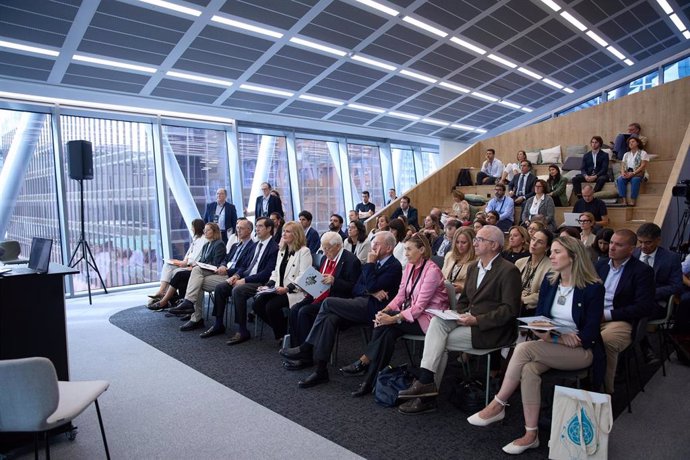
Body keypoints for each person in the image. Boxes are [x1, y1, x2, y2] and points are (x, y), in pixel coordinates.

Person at [468, 236, 605, 455]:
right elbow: (539, 322)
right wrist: (555, 337)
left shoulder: (592, 288)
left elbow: (589, 335)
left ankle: (498, 404)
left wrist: (555, 337)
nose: (551, 255)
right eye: (551, 251)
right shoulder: (551, 282)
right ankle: (531, 434)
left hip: (582, 351)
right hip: (552, 345)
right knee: (529, 370)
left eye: (557, 252)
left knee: (523, 349)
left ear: (573, 256)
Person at [396, 225, 521, 415]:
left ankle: (426, 394)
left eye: (480, 239)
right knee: (437, 322)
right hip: (468, 321)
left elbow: (510, 310)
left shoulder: (508, 270)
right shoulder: (473, 268)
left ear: (494, 245)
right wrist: (460, 314)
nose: (474, 243)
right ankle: (426, 382)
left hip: (491, 329)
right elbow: (464, 301)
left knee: (438, 341)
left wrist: (476, 319)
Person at [279, 232, 403, 388]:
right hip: (360, 302)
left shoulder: (393, 266)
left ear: (389, 248)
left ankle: (306, 347)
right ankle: (321, 370)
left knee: (328, 303)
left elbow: (368, 285)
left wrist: (370, 269)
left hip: (376, 310)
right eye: (373, 243)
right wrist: (371, 291)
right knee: (330, 319)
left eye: (377, 244)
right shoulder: (375, 262)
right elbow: (358, 288)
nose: (373, 247)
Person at [341, 233, 450, 397]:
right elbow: (400, 296)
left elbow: (420, 307)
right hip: (411, 315)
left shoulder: (432, 271)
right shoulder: (409, 267)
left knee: (386, 325)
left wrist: (392, 318)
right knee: (387, 333)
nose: (405, 253)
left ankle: (365, 364)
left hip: (430, 320)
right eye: (404, 249)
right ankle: (370, 381)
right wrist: (385, 310)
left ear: (422, 249)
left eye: (409, 249)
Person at [595, 229, 655, 393]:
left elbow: (643, 306)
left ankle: (604, 391)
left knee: (604, 341)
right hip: (594, 316)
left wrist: (606, 315)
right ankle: (579, 381)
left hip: (620, 319)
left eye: (618, 245)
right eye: (612, 242)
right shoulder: (600, 265)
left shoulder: (642, 271)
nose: (611, 247)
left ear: (631, 249)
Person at [170, 220, 256, 332]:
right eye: (237, 228)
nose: (238, 230)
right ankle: (192, 309)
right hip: (222, 272)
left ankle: (193, 312)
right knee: (196, 274)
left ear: (249, 230)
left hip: (233, 276)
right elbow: (226, 259)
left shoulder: (253, 247)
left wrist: (228, 271)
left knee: (196, 281)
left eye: (241, 228)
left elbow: (245, 267)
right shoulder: (235, 245)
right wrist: (223, 265)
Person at [288, 232, 361, 347]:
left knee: (304, 312)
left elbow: (354, 288)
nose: (325, 252)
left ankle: (306, 352)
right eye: (323, 248)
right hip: (318, 294)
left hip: (336, 300)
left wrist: (334, 281)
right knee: (294, 309)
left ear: (338, 246)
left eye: (327, 248)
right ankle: (296, 346)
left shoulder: (351, 261)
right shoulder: (324, 258)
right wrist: (307, 287)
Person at [252, 222, 312, 343]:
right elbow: (276, 272)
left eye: (288, 231)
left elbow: (303, 276)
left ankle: (283, 335)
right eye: (284, 231)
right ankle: (284, 330)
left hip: (294, 291)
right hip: (278, 288)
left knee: (271, 307)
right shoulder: (282, 250)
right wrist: (268, 285)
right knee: (257, 303)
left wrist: (287, 288)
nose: (284, 234)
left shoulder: (304, 251)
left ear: (296, 234)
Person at [225, 217, 280, 345]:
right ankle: (218, 324)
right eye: (256, 226)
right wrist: (237, 276)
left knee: (238, 290)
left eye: (260, 226)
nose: (257, 229)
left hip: (261, 282)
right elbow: (244, 265)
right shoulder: (255, 245)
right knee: (222, 287)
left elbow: (266, 273)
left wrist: (245, 280)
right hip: (246, 277)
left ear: (269, 229)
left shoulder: (274, 248)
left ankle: (242, 330)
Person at [633, 223, 683, 364]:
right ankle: (639, 349)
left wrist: (650, 293)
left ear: (658, 240)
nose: (643, 246)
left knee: (633, 314)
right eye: (640, 242)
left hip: (657, 303)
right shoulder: (633, 254)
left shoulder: (671, 258)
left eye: (648, 242)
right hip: (632, 300)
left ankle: (639, 350)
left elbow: (676, 286)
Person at [148, 223, 226, 312]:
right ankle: (182, 306)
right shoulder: (206, 245)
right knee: (181, 280)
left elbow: (216, 263)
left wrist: (195, 266)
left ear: (214, 231)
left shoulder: (219, 244)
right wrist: (194, 266)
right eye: (204, 229)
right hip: (200, 269)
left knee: (179, 275)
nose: (205, 231)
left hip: (210, 272)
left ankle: (164, 302)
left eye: (208, 230)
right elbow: (201, 261)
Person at [147, 218, 206, 305]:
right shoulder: (196, 238)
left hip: (192, 265)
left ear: (196, 227)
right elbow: (189, 253)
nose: (191, 228)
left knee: (175, 272)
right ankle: (162, 291)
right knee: (168, 265)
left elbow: (196, 257)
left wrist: (184, 263)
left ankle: (168, 297)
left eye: (192, 227)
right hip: (186, 263)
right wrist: (181, 261)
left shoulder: (203, 240)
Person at [514, 229, 553, 314]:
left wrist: (522, 299)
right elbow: (510, 285)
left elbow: (545, 294)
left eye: (540, 242)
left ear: (547, 247)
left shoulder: (551, 267)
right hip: (514, 306)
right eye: (533, 239)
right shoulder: (520, 262)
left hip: (532, 310)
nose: (534, 244)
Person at [442, 227, 476, 297]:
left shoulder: (477, 260)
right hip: (445, 293)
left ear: (472, 243)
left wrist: (463, 290)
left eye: (463, 242)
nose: (460, 246)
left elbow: (476, 287)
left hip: (464, 297)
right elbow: (442, 276)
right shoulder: (449, 256)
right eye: (457, 242)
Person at [616, 137, 650, 206]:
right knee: (620, 179)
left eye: (633, 141)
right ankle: (624, 201)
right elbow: (622, 165)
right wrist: (623, 173)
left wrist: (633, 173)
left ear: (637, 143)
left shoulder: (643, 153)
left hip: (638, 173)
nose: (631, 143)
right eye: (629, 142)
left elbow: (643, 166)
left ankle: (633, 200)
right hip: (627, 172)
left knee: (635, 180)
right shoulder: (626, 154)